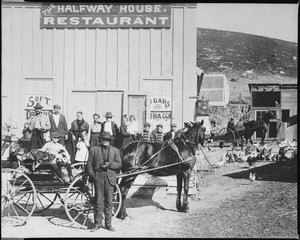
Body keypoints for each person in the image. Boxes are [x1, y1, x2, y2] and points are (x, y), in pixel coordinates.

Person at [86, 132, 122, 232]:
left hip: (110, 179)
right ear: (100, 140)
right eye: (104, 140)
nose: (105, 141)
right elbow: (88, 165)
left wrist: (110, 165)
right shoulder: (94, 150)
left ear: (110, 141)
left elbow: (119, 164)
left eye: (108, 140)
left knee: (109, 202)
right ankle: (97, 224)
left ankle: (108, 224)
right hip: (99, 178)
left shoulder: (115, 150)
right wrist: (94, 176)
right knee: (98, 202)